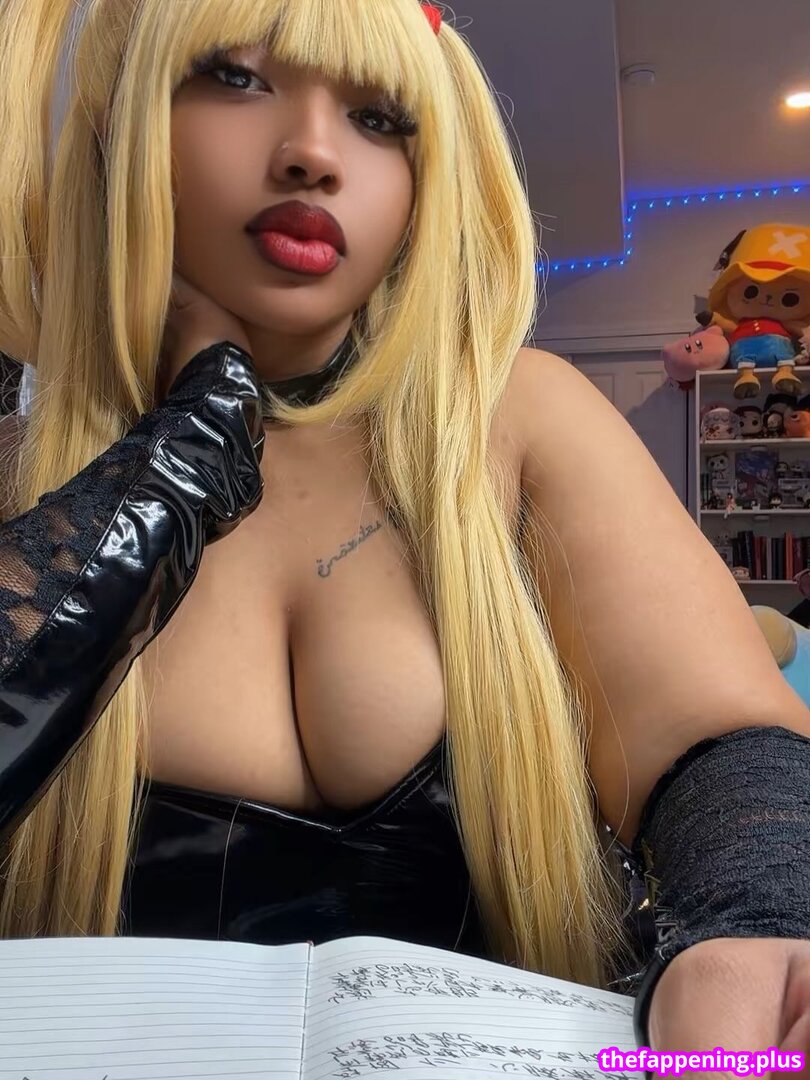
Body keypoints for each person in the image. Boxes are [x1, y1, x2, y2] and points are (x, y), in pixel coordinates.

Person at [0, 0, 808, 1060]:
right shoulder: (25, 484)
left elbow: (716, 746)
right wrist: (187, 443)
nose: (313, 154)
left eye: (380, 118)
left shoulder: (521, 419)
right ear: (122, 129)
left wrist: (759, 920)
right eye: (235, 79)